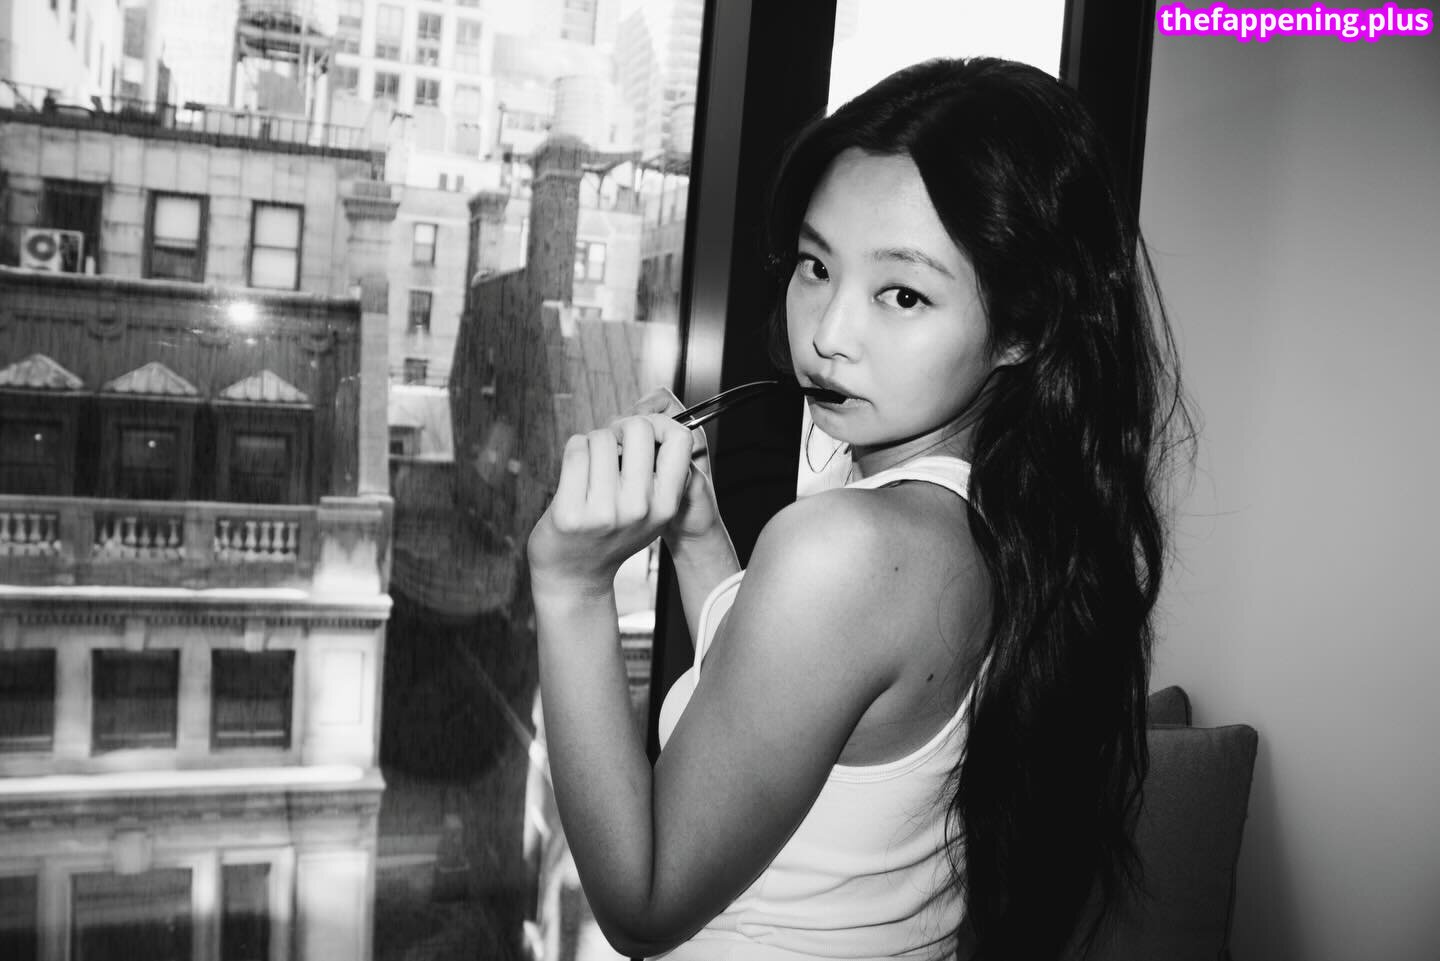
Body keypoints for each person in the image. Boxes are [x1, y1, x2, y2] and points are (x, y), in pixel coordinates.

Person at [526, 57, 1191, 960]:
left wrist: (570, 585)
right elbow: (781, 699)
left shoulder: (846, 546)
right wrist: (696, 528)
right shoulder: (1005, 522)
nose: (828, 333)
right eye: (815, 265)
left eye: (903, 293)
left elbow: (642, 905)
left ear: (1023, 326)